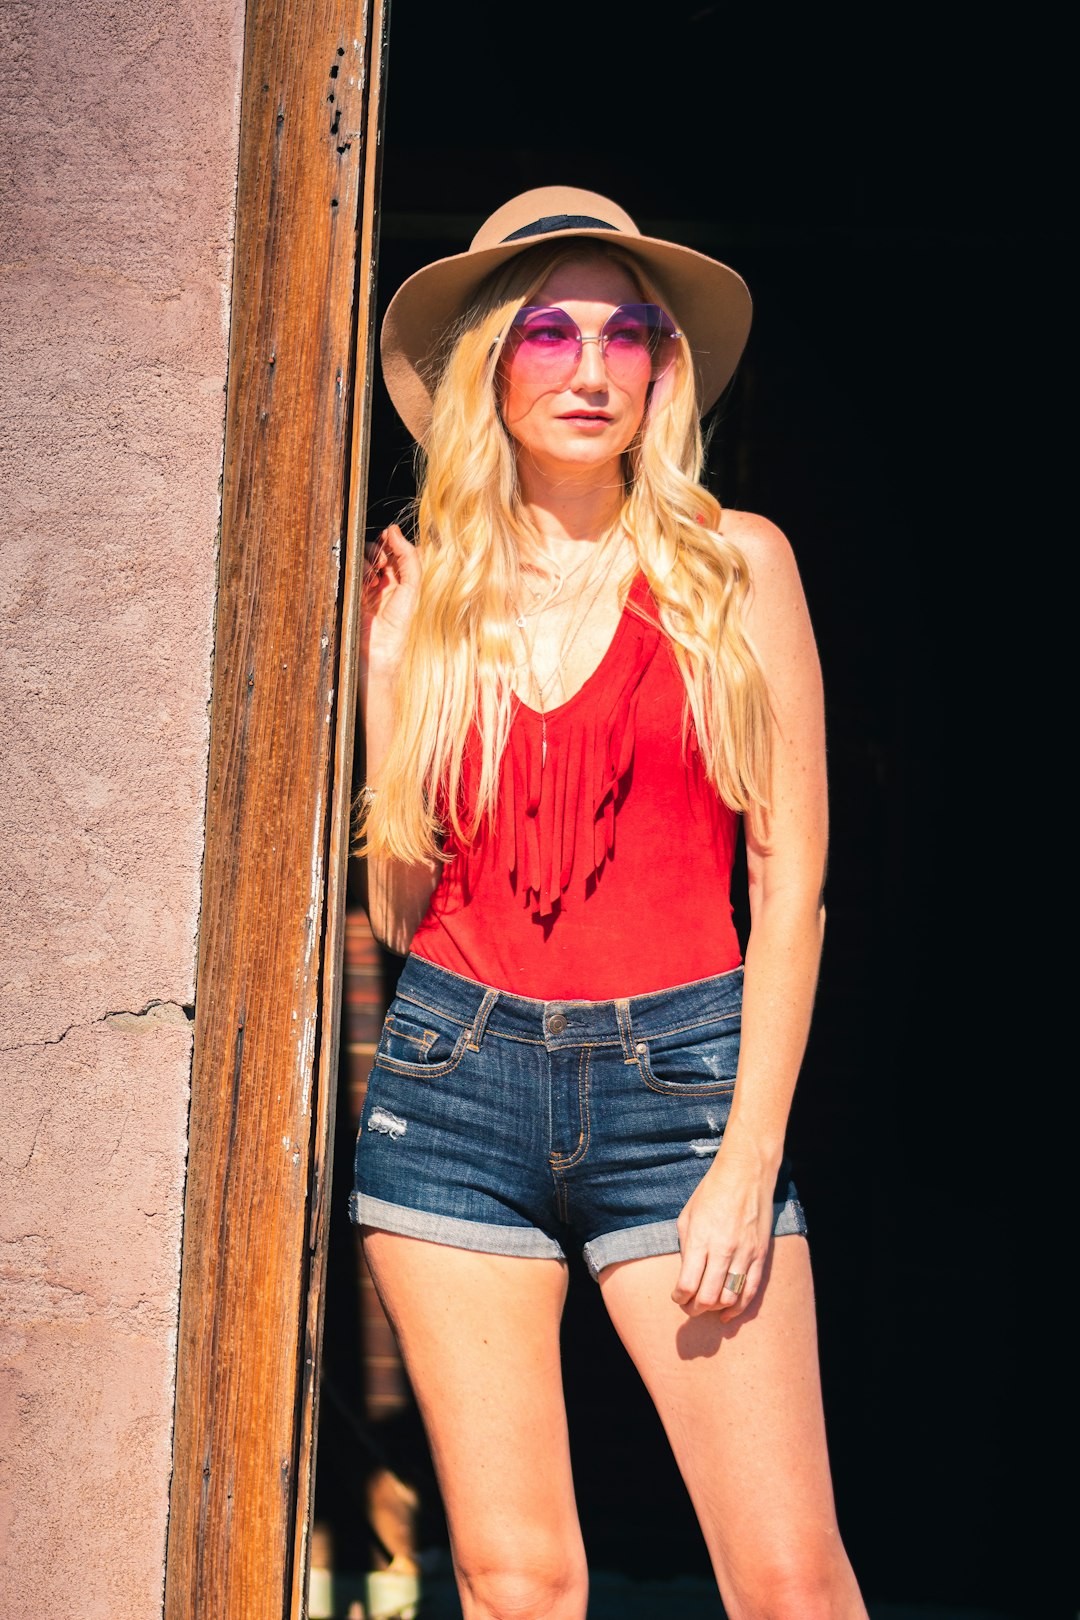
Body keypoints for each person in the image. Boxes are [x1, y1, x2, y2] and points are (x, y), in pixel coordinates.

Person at [351, 186, 868, 1620]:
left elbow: (795, 879)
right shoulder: (435, 590)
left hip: (683, 1088)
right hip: (454, 1086)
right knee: (520, 1582)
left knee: (787, 1582)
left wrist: (749, 1155)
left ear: (661, 370)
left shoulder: (734, 565)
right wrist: (392, 680)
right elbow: (404, 911)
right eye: (550, 332)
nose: (591, 368)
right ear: (490, 371)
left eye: (627, 333)